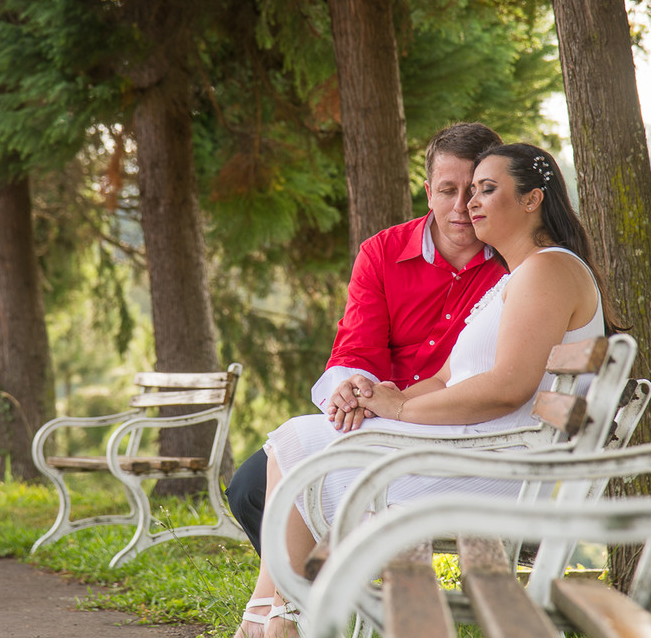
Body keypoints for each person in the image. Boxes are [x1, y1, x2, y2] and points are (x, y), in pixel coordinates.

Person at [234, 143, 620, 638]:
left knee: (300, 447)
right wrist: (381, 398)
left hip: (501, 469)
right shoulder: (522, 275)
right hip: (483, 451)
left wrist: (398, 411)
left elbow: (507, 387)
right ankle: (277, 618)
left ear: (531, 200)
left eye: (486, 189)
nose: (469, 205)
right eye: (460, 191)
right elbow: (445, 379)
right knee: (298, 446)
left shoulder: (545, 270)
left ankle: (276, 619)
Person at [225, 123, 508, 557]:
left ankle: (322, 600)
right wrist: (350, 390)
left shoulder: (512, 266)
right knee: (249, 489)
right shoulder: (382, 252)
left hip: (449, 430)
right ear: (428, 191)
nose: (461, 207)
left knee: (308, 480)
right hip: (374, 418)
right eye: (447, 190)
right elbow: (357, 347)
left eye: (474, 191)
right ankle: (311, 600)